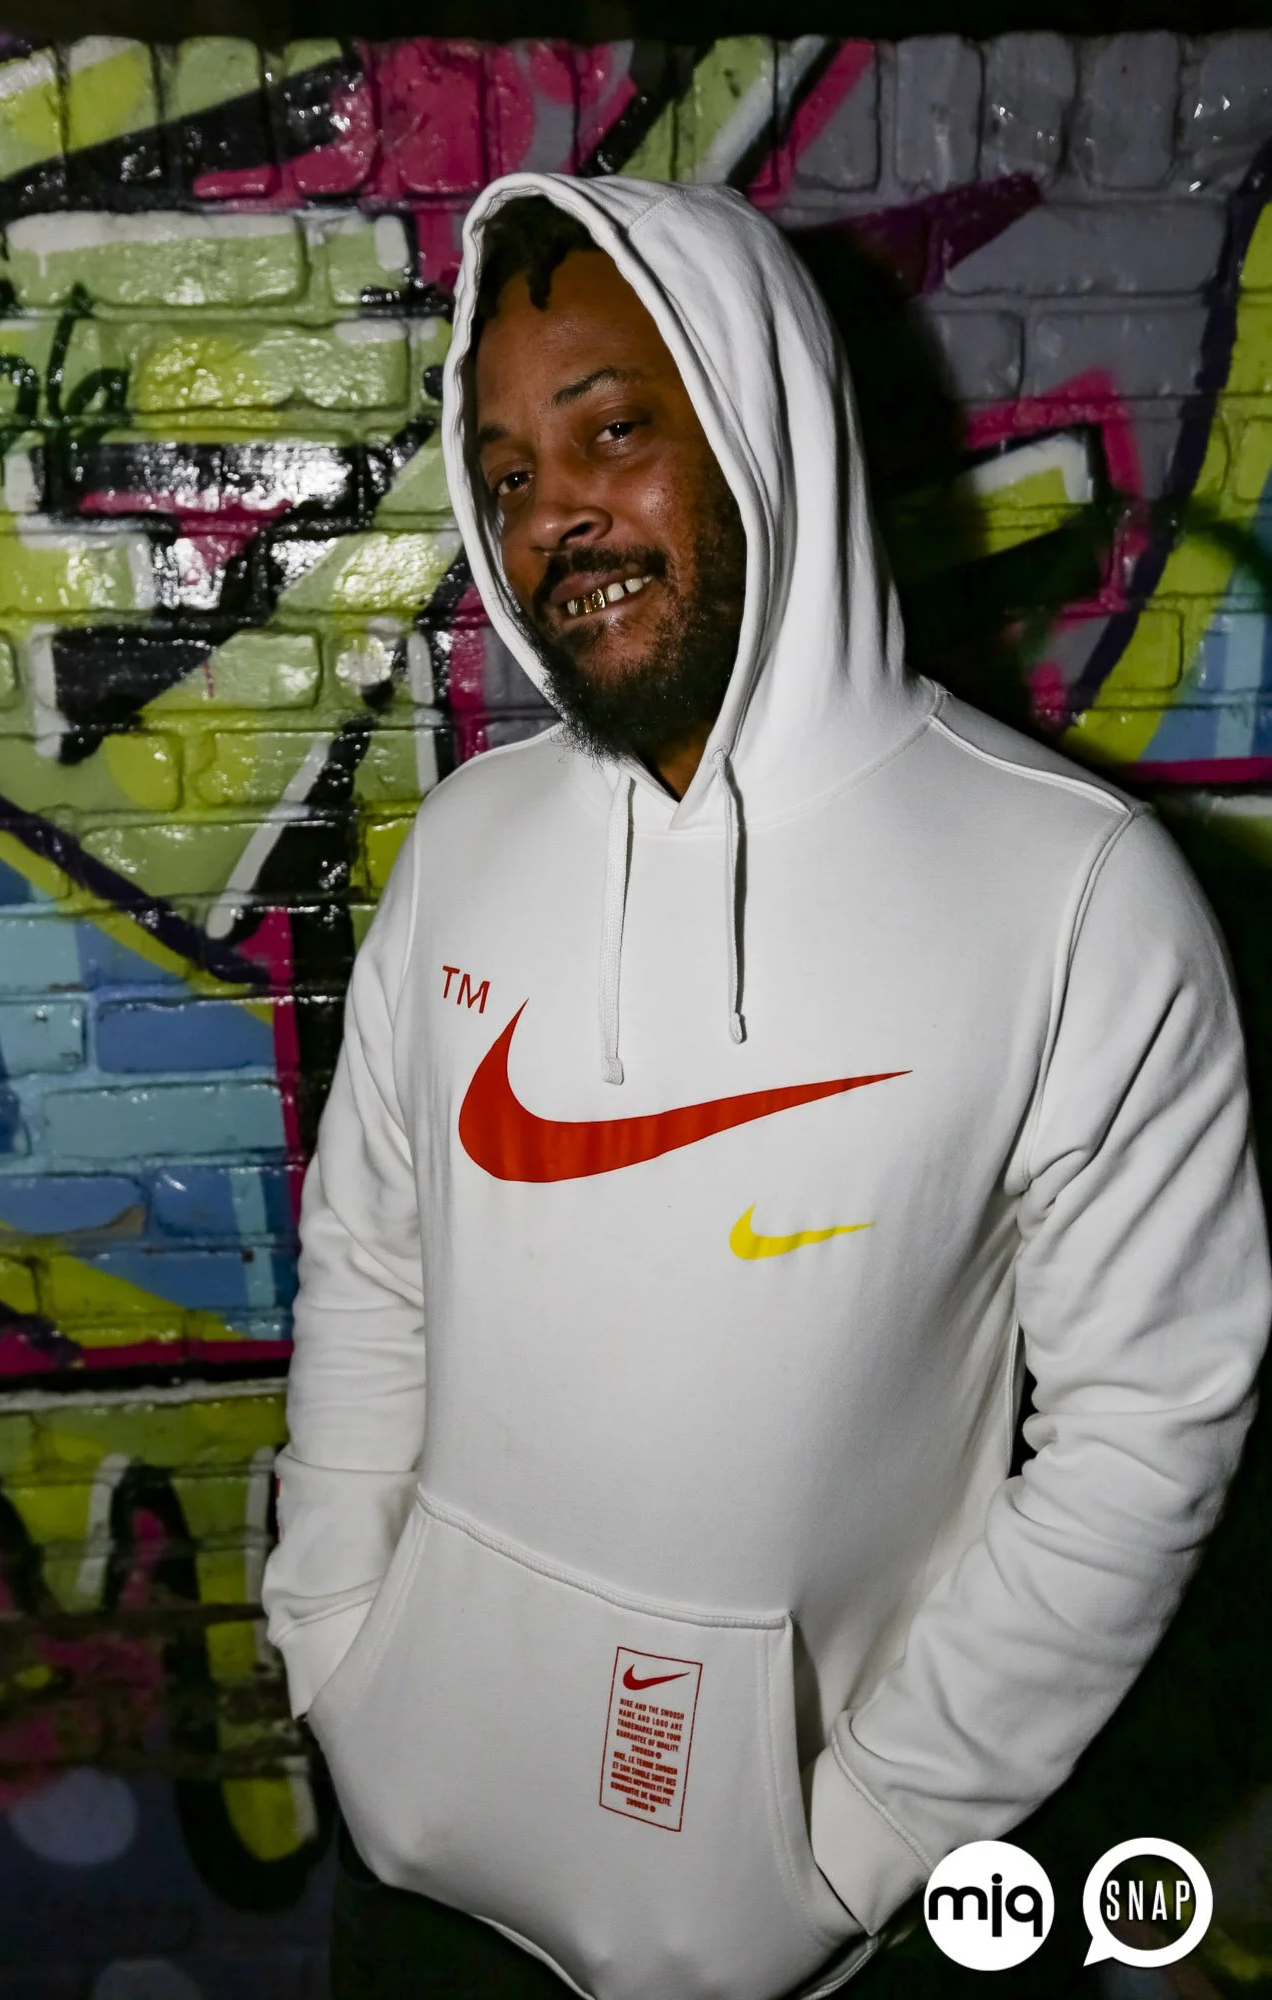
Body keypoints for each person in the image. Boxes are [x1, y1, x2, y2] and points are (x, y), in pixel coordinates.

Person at [262, 173, 1271, 2000]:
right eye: (506, 472)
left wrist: (868, 1831)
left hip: (816, 1940)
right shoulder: (469, 840)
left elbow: (1148, 1426)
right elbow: (371, 1258)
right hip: (416, 1875)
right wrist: (332, 1629)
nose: (553, 513)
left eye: (614, 432)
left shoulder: (1079, 897)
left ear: (762, 418)